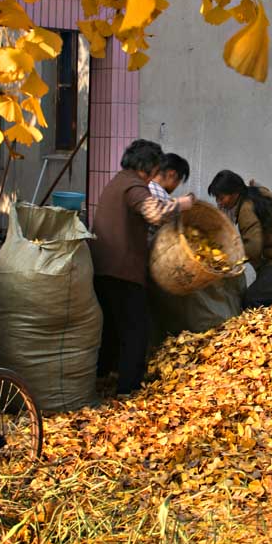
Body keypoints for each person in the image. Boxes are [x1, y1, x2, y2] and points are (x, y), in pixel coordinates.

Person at [90, 139, 195, 398]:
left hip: (102, 265)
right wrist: (182, 204)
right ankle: (128, 388)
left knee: (112, 328)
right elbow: (156, 214)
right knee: (137, 330)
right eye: (155, 169)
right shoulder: (133, 187)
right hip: (122, 269)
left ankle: (102, 377)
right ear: (147, 166)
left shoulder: (116, 181)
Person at [207, 170, 272, 308]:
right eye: (217, 198)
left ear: (235, 193)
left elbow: (253, 248)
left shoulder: (246, 210)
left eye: (222, 198)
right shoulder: (257, 192)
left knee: (252, 300)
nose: (220, 203)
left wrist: (227, 260)